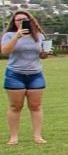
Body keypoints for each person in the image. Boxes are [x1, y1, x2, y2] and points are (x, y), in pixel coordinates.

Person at [2, 10, 50, 144]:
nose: (21, 22)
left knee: (36, 106)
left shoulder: (38, 36)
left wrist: (46, 53)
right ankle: (13, 137)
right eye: (18, 20)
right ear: (14, 22)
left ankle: (37, 136)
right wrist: (17, 37)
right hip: (15, 74)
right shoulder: (9, 35)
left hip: (35, 74)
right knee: (15, 106)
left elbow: (41, 54)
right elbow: (5, 51)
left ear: (30, 21)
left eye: (24, 19)